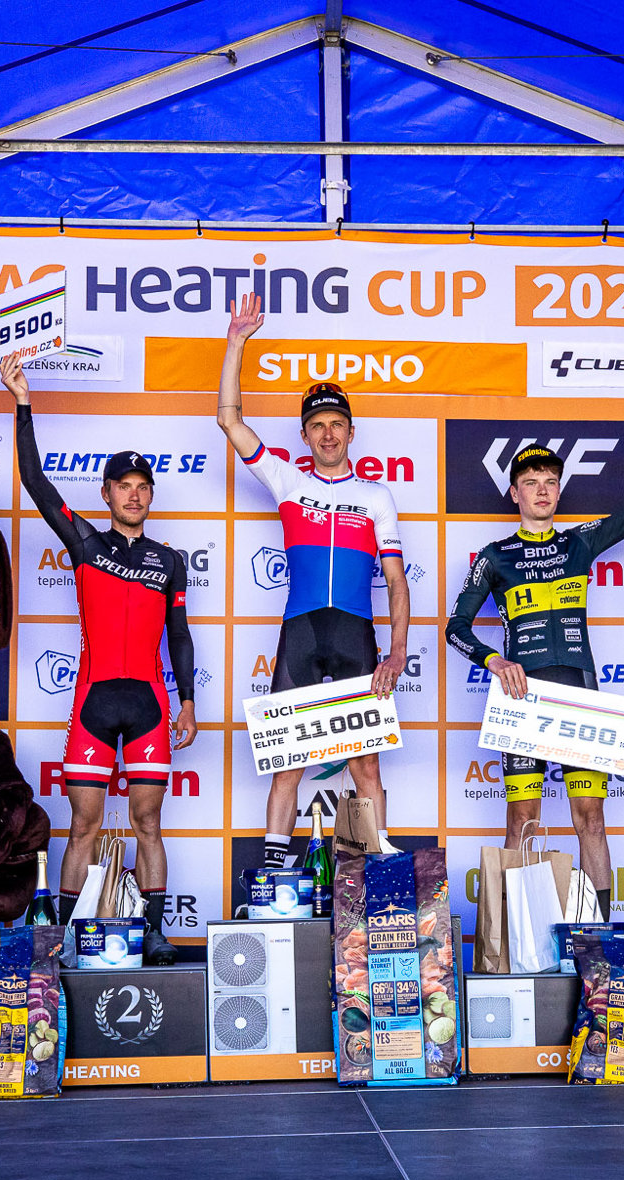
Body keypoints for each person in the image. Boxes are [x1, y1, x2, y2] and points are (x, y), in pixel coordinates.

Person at [447, 380, 624, 915]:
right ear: (515, 493)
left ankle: (602, 932)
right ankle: (511, 938)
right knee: (522, 820)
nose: (542, 490)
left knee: (590, 818)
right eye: (531, 483)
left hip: (578, 695)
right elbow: (456, 627)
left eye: (550, 481)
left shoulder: (579, 542)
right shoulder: (495, 556)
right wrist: (494, 660)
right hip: (521, 700)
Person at [5, 352, 197, 965]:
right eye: (123, 486)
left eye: (142, 487)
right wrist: (24, 403)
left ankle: (153, 932)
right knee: (83, 825)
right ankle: (63, 937)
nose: (134, 495)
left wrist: (188, 701)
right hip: (93, 699)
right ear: (107, 493)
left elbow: (179, 635)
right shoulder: (85, 543)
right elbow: (36, 481)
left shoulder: (170, 561)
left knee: (148, 824)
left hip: (149, 705)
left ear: (150, 495)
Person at [217, 293, 410, 867]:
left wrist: (398, 650)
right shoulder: (287, 481)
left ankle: (368, 875)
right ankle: (275, 880)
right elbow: (229, 420)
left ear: (352, 432)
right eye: (317, 426)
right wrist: (236, 342)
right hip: (300, 632)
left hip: (355, 633)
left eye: (337, 425)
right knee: (287, 763)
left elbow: (396, 580)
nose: (328, 434)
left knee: (365, 764)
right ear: (304, 436)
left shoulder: (376, 496)